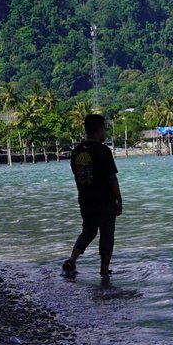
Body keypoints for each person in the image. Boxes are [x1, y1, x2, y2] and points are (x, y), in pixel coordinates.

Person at [63, 113, 123, 284]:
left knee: (88, 231)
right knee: (107, 234)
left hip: (85, 199)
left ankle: (72, 260)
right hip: (104, 199)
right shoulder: (103, 151)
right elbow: (111, 177)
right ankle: (104, 270)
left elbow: (78, 175)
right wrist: (119, 199)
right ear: (98, 130)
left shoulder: (77, 151)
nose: (105, 133)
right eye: (104, 129)